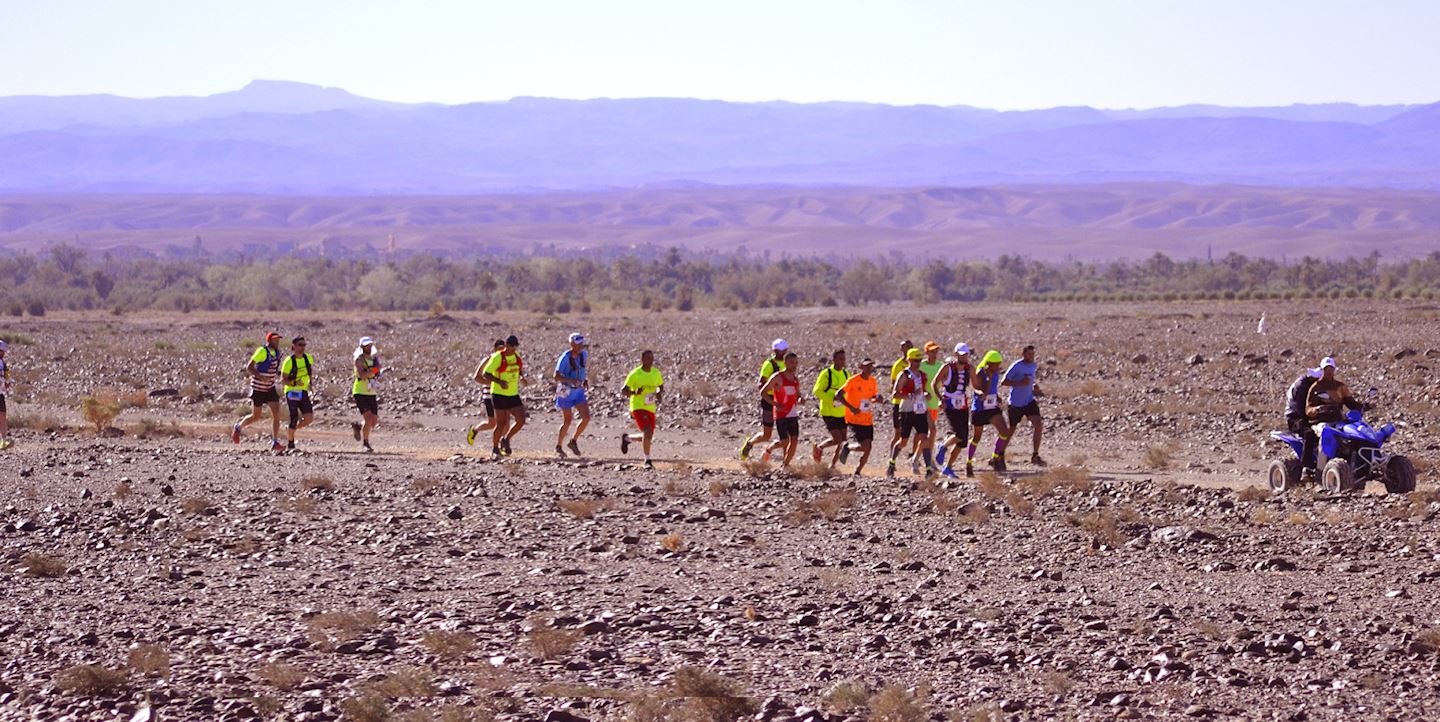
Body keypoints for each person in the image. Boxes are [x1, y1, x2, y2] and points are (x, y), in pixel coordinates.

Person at [886, 348, 936, 479]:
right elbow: (895, 393)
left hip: (921, 410)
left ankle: (929, 469)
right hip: (907, 410)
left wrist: (927, 395)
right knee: (903, 441)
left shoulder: (922, 375)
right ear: (909, 360)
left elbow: (923, 391)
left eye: (919, 360)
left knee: (924, 439)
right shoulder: (904, 375)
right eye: (915, 360)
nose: (918, 363)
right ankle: (891, 463)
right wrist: (911, 395)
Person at [232, 332, 285, 452]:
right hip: (258, 388)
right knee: (256, 416)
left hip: (270, 388)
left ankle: (275, 442)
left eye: (278, 340)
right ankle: (238, 427)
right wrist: (261, 377)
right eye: (275, 340)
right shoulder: (262, 351)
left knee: (277, 414)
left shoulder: (278, 353)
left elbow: (273, 369)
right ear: (269, 341)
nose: (277, 342)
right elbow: (249, 367)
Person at [740, 339, 788, 460]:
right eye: (780, 350)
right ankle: (750, 443)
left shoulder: (787, 364)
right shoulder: (769, 364)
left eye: (784, 350)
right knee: (767, 435)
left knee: (786, 435)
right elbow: (761, 384)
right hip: (769, 400)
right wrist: (772, 398)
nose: (782, 352)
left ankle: (783, 459)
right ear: (775, 350)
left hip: (783, 400)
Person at [967, 350, 1013, 475]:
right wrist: (989, 377)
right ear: (989, 363)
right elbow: (983, 390)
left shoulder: (996, 373)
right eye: (995, 364)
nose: (998, 366)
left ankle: (995, 457)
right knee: (977, 437)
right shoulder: (980, 373)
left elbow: (992, 389)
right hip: (980, 408)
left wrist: (997, 396)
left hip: (992, 407)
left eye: (999, 363)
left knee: (1004, 431)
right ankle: (969, 462)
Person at [481, 334, 528, 457]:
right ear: (507, 345)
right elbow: (486, 373)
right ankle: (495, 448)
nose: (514, 349)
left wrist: (523, 378)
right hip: (498, 394)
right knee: (501, 423)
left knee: (521, 420)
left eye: (516, 347)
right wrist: (499, 382)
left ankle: (506, 439)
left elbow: (519, 369)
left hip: (513, 394)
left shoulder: (516, 356)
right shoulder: (498, 357)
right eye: (512, 347)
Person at [1003, 345, 1047, 467]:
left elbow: (1030, 380)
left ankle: (1035, 455)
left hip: (1028, 401)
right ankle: (998, 454)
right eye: (1029, 354)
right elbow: (1004, 382)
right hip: (1015, 403)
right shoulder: (1016, 366)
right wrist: (1020, 383)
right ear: (1023, 354)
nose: (1031, 356)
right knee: (1010, 430)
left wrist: (1034, 386)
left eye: (1033, 354)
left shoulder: (1033, 365)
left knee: (1038, 425)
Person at [836, 358, 882, 476]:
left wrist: (877, 399)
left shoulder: (872, 381)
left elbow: (873, 396)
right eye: (866, 366)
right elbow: (839, 394)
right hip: (854, 418)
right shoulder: (853, 380)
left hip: (867, 418)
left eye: (871, 366)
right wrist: (850, 407)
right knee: (865, 446)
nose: (869, 369)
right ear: (861, 367)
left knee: (868, 447)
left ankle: (858, 471)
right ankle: (848, 448)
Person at [758, 351, 804, 468]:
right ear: (785, 363)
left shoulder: (795, 379)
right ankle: (769, 449)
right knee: (785, 441)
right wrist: (774, 404)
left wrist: (800, 400)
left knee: (794, 441)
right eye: (791, 362)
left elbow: (798, 394)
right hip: (781, 413)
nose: (794, 365)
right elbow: (763, 392)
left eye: (796, 363)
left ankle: (785, 465)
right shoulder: (777, 377)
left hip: (792, 413)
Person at [933, 343, 973, 477]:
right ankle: (942, 446)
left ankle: (948, 467)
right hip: (950, 403)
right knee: (959, 433)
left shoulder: (969, 368)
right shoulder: (947, 368)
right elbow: (935, 383)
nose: (964, 357)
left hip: (963, 404)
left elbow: (976, 383)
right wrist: (940, 399)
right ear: (956, 354)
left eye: (966, 354)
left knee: (962, 441)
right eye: (962, 355)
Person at [620, 349, 664, 469]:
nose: (651, 361)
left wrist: (659, 393)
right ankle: (647, 460)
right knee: (647, 430)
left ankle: (627, 438)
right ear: (642, 359)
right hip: (637, 406)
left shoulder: (656, 372)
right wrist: (634, 392)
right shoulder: (635, 374)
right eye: (648, 358)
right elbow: (623, 390)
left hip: (650, 407)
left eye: (652, 358)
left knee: (648, 436)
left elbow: (660, 385)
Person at [810, 349, 850, 466]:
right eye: (840, 359)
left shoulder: (846, 374)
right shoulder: (826, 373)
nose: (842, 361)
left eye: (844, 359)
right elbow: (817, 391)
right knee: (837, 438)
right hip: (828, 411)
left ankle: (832, 465)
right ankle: (819, 447)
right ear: (834, 360)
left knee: (843, 441)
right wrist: (832, 398)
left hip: (842, 412)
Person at [553, 332, 590, 457]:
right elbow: (556, 376)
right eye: (578, 344)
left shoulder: (583, 355)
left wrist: (584, 380)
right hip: (565, 390)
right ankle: (558, 446)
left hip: (578, 391)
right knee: (567, 420)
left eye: (581, 344)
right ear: (572, 344)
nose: (580, 347)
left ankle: (573, 441)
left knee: (586, 417)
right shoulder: (565, 357)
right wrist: (571, 380)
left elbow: (582, 369)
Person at [466, 339, 506, 447]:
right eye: (500, 348)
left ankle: (502, 445)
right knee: (492, 423)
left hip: (504, 394)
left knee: (504, 422)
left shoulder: (506, 361)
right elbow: (476, 377)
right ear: (495, 349)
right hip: (490, 395)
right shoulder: (488, 360)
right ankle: (475, 430)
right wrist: (491, 383)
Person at [1284, 364, 1322, 476]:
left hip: (1306, 416)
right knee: (1309, 433)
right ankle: (1307, 466)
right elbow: (1300, 407)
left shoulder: (1309, 385)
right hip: (1295, 417)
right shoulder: (1301, 386)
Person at [913, 341, 946, 473]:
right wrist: (923, 392)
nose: (934, 354)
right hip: (922, 405)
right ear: (926, 352)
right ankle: (918, 459)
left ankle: (923, 459)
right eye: (932, 351)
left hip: (934, 405)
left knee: (928, 435)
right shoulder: (921, 367)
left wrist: (942, 398)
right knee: (931, 431)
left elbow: (943, 384)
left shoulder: (940, 366)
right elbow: (915, 383)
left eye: (936, 351)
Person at [280, 336, 315, 453]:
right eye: (300, 345)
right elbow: (283, 380)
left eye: (304, 345)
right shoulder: (289, 361)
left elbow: (309, 372)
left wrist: (310, 383)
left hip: (303, 391)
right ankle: (291, 443)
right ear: (293, 346)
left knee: (309, 418)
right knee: (294, 416)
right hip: (291, 391)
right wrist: (294, 382)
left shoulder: (308, 358)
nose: (302, 347)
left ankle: (291, 430)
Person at [1306, 357, 1361, 425]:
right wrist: (1318, 409)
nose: (1328, 371)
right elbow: (1308, 410)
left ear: (1334, 369)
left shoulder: (1340, 386)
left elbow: (1352, 404)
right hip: (1321, 422)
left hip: (1339, 421)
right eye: (1326, 369)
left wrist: (1364, 406)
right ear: (1322, 370)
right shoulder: (1316, 387)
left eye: (1331, 369)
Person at [351, 336, 381, 452]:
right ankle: (365, 444)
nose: (368, 347)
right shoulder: (358, 360)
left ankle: (358, 426)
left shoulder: (374, 359)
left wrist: (373, 372)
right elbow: (362, 375)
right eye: (366, 345)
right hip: (360, 392)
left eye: (370, 345)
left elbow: (377, 371)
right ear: (362, 347)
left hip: (371, 392)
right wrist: (374, 370)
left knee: (373, 422)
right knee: (368, 418)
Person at [887, 340, 915, 452]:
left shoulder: (918, 365)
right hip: (899, 403)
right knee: (898, 433)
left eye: (909, 347)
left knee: (919, 432)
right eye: (904, 347)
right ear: (901, 349)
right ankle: (891, 456)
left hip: (914, 403)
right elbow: (894, 384)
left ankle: (913, 455)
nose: (907, 349)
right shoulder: (898, 365)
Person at [0, 339, 11, 450]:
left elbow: (6, 377)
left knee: (2, 417)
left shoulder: (3, 363)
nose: (3, 354)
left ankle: (3, 441)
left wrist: (6, 383)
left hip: (0, 394)